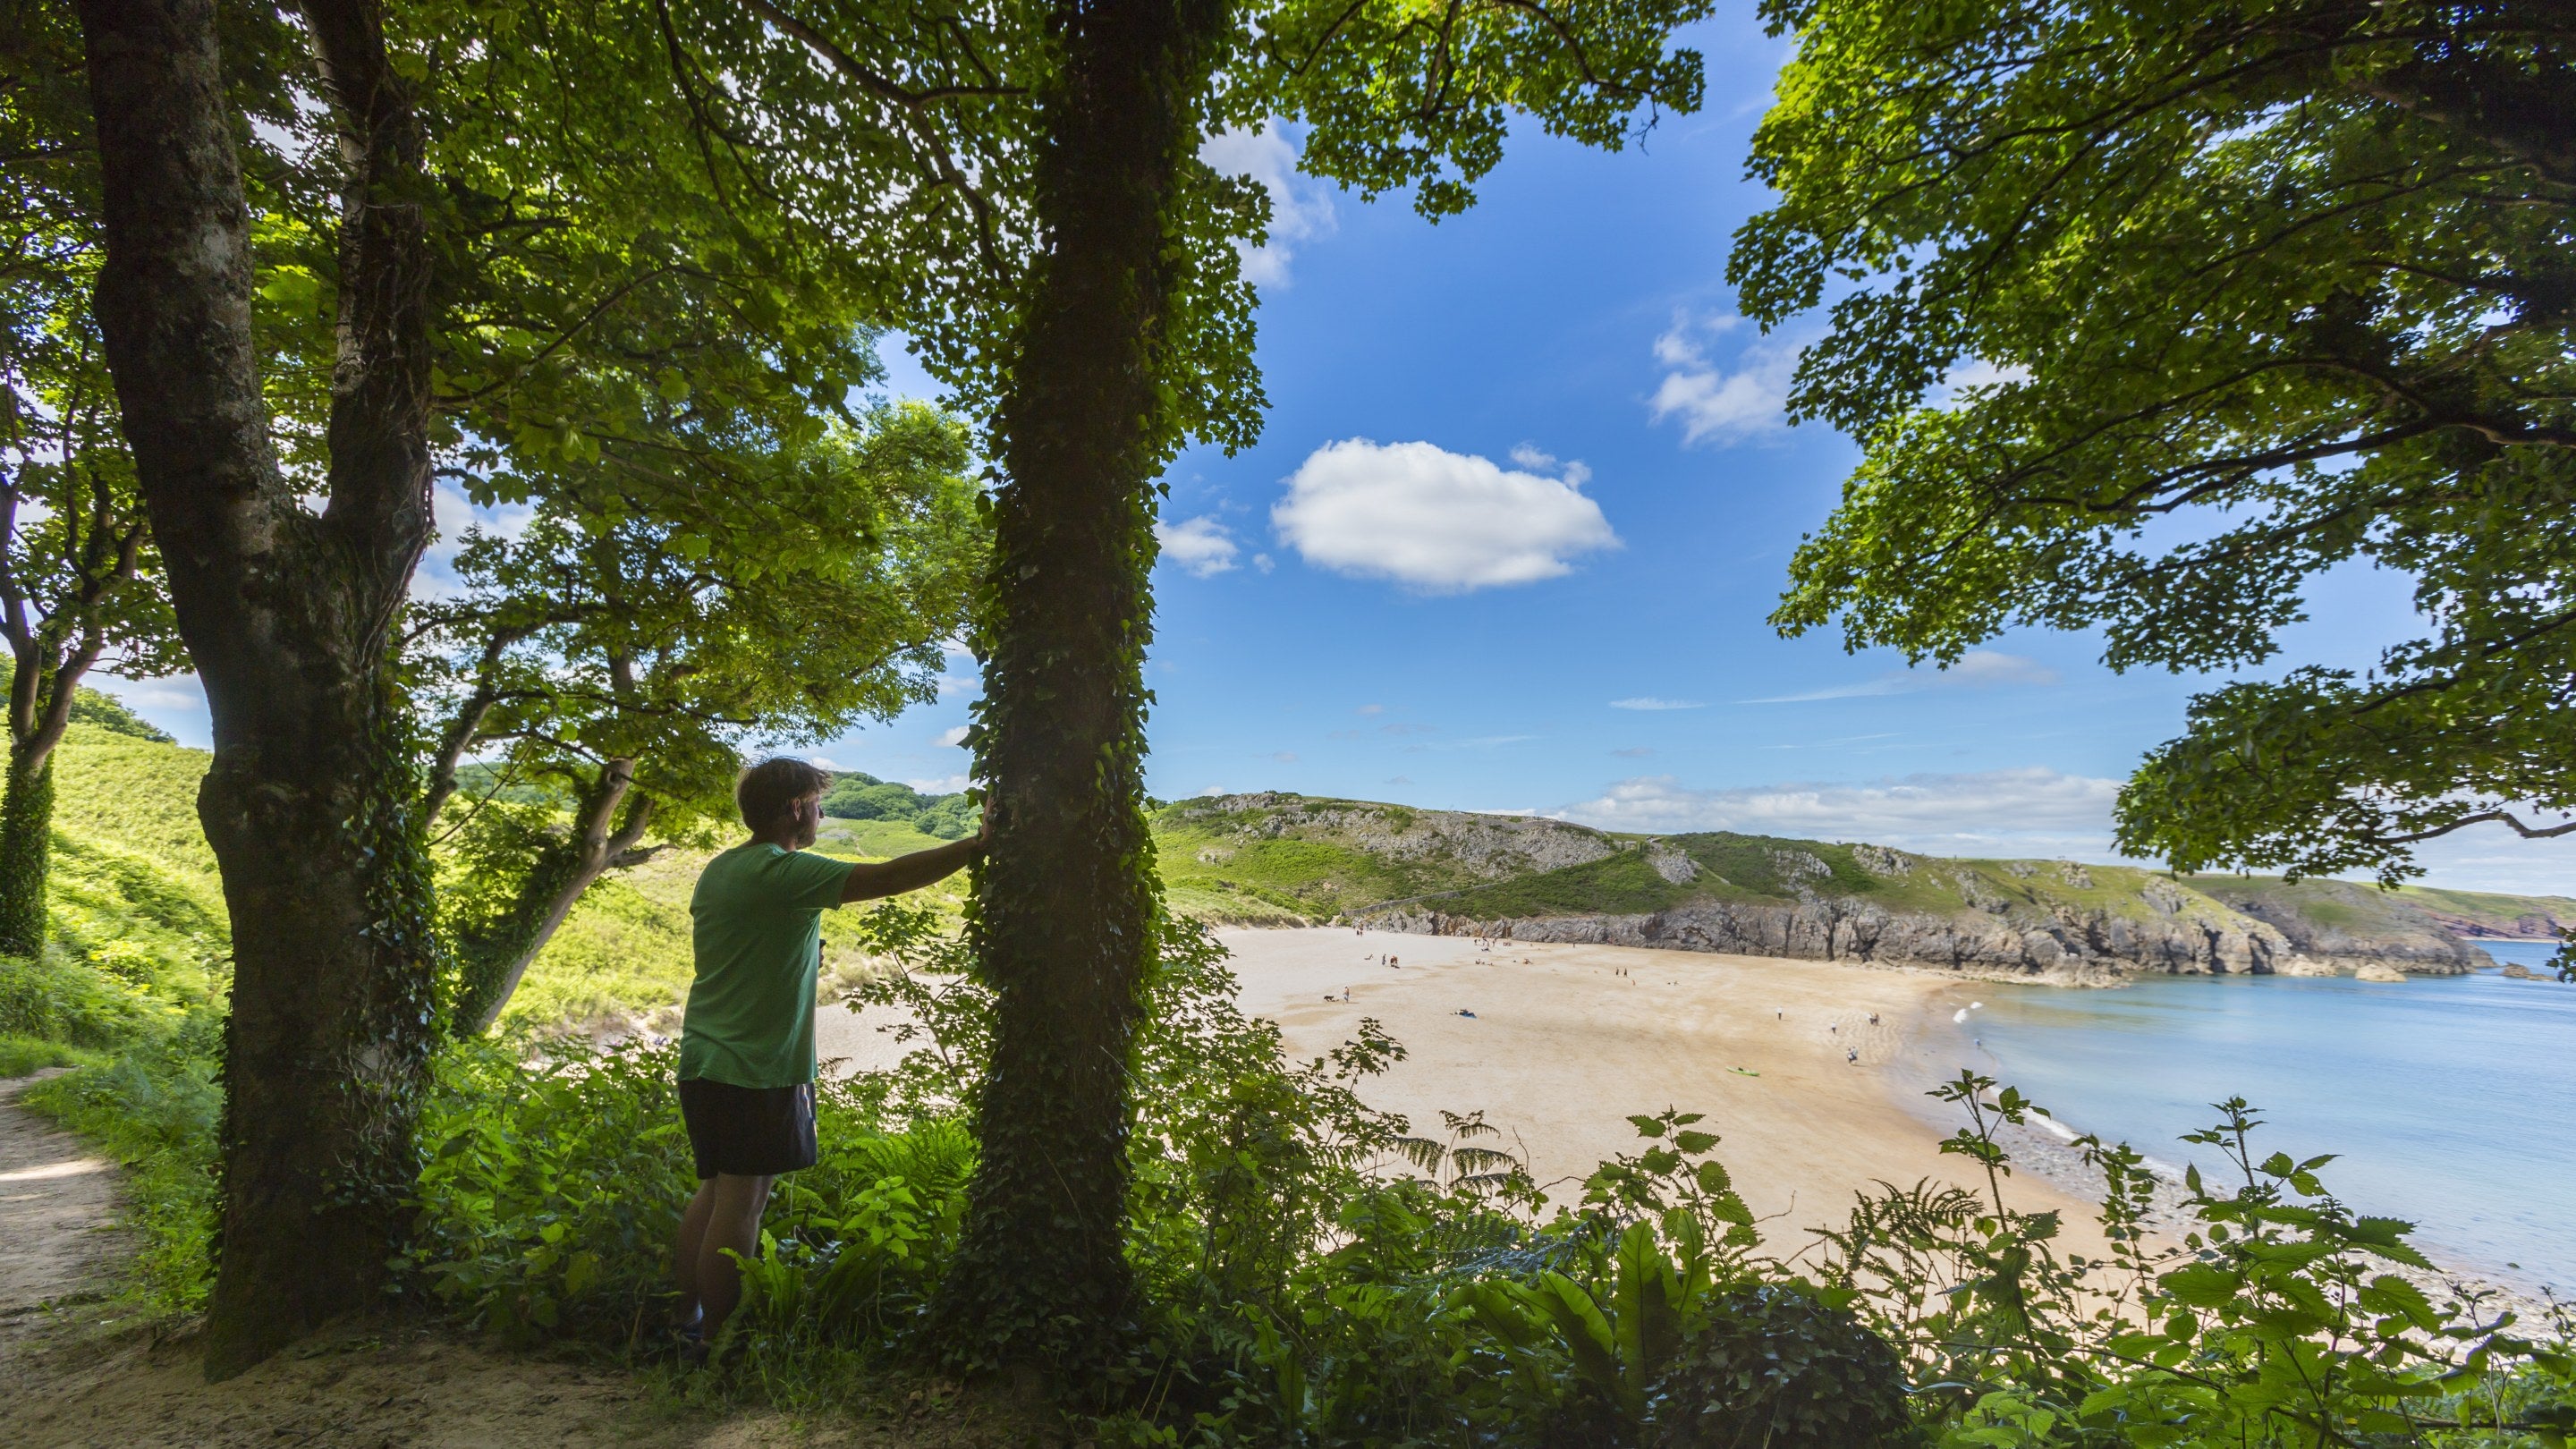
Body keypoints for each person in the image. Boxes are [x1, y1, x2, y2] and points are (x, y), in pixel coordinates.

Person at [671, 758, 987, 1354]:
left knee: (715, 1192)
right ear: (794, 808)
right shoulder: (779, 871)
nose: (821, 813)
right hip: (753, 1066)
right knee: (743, 1202)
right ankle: (713, 1346)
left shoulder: (723, 869)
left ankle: (677, 1323)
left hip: (706, 1059)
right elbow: (887, 878)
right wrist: (978, 845)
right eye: (817, 803)